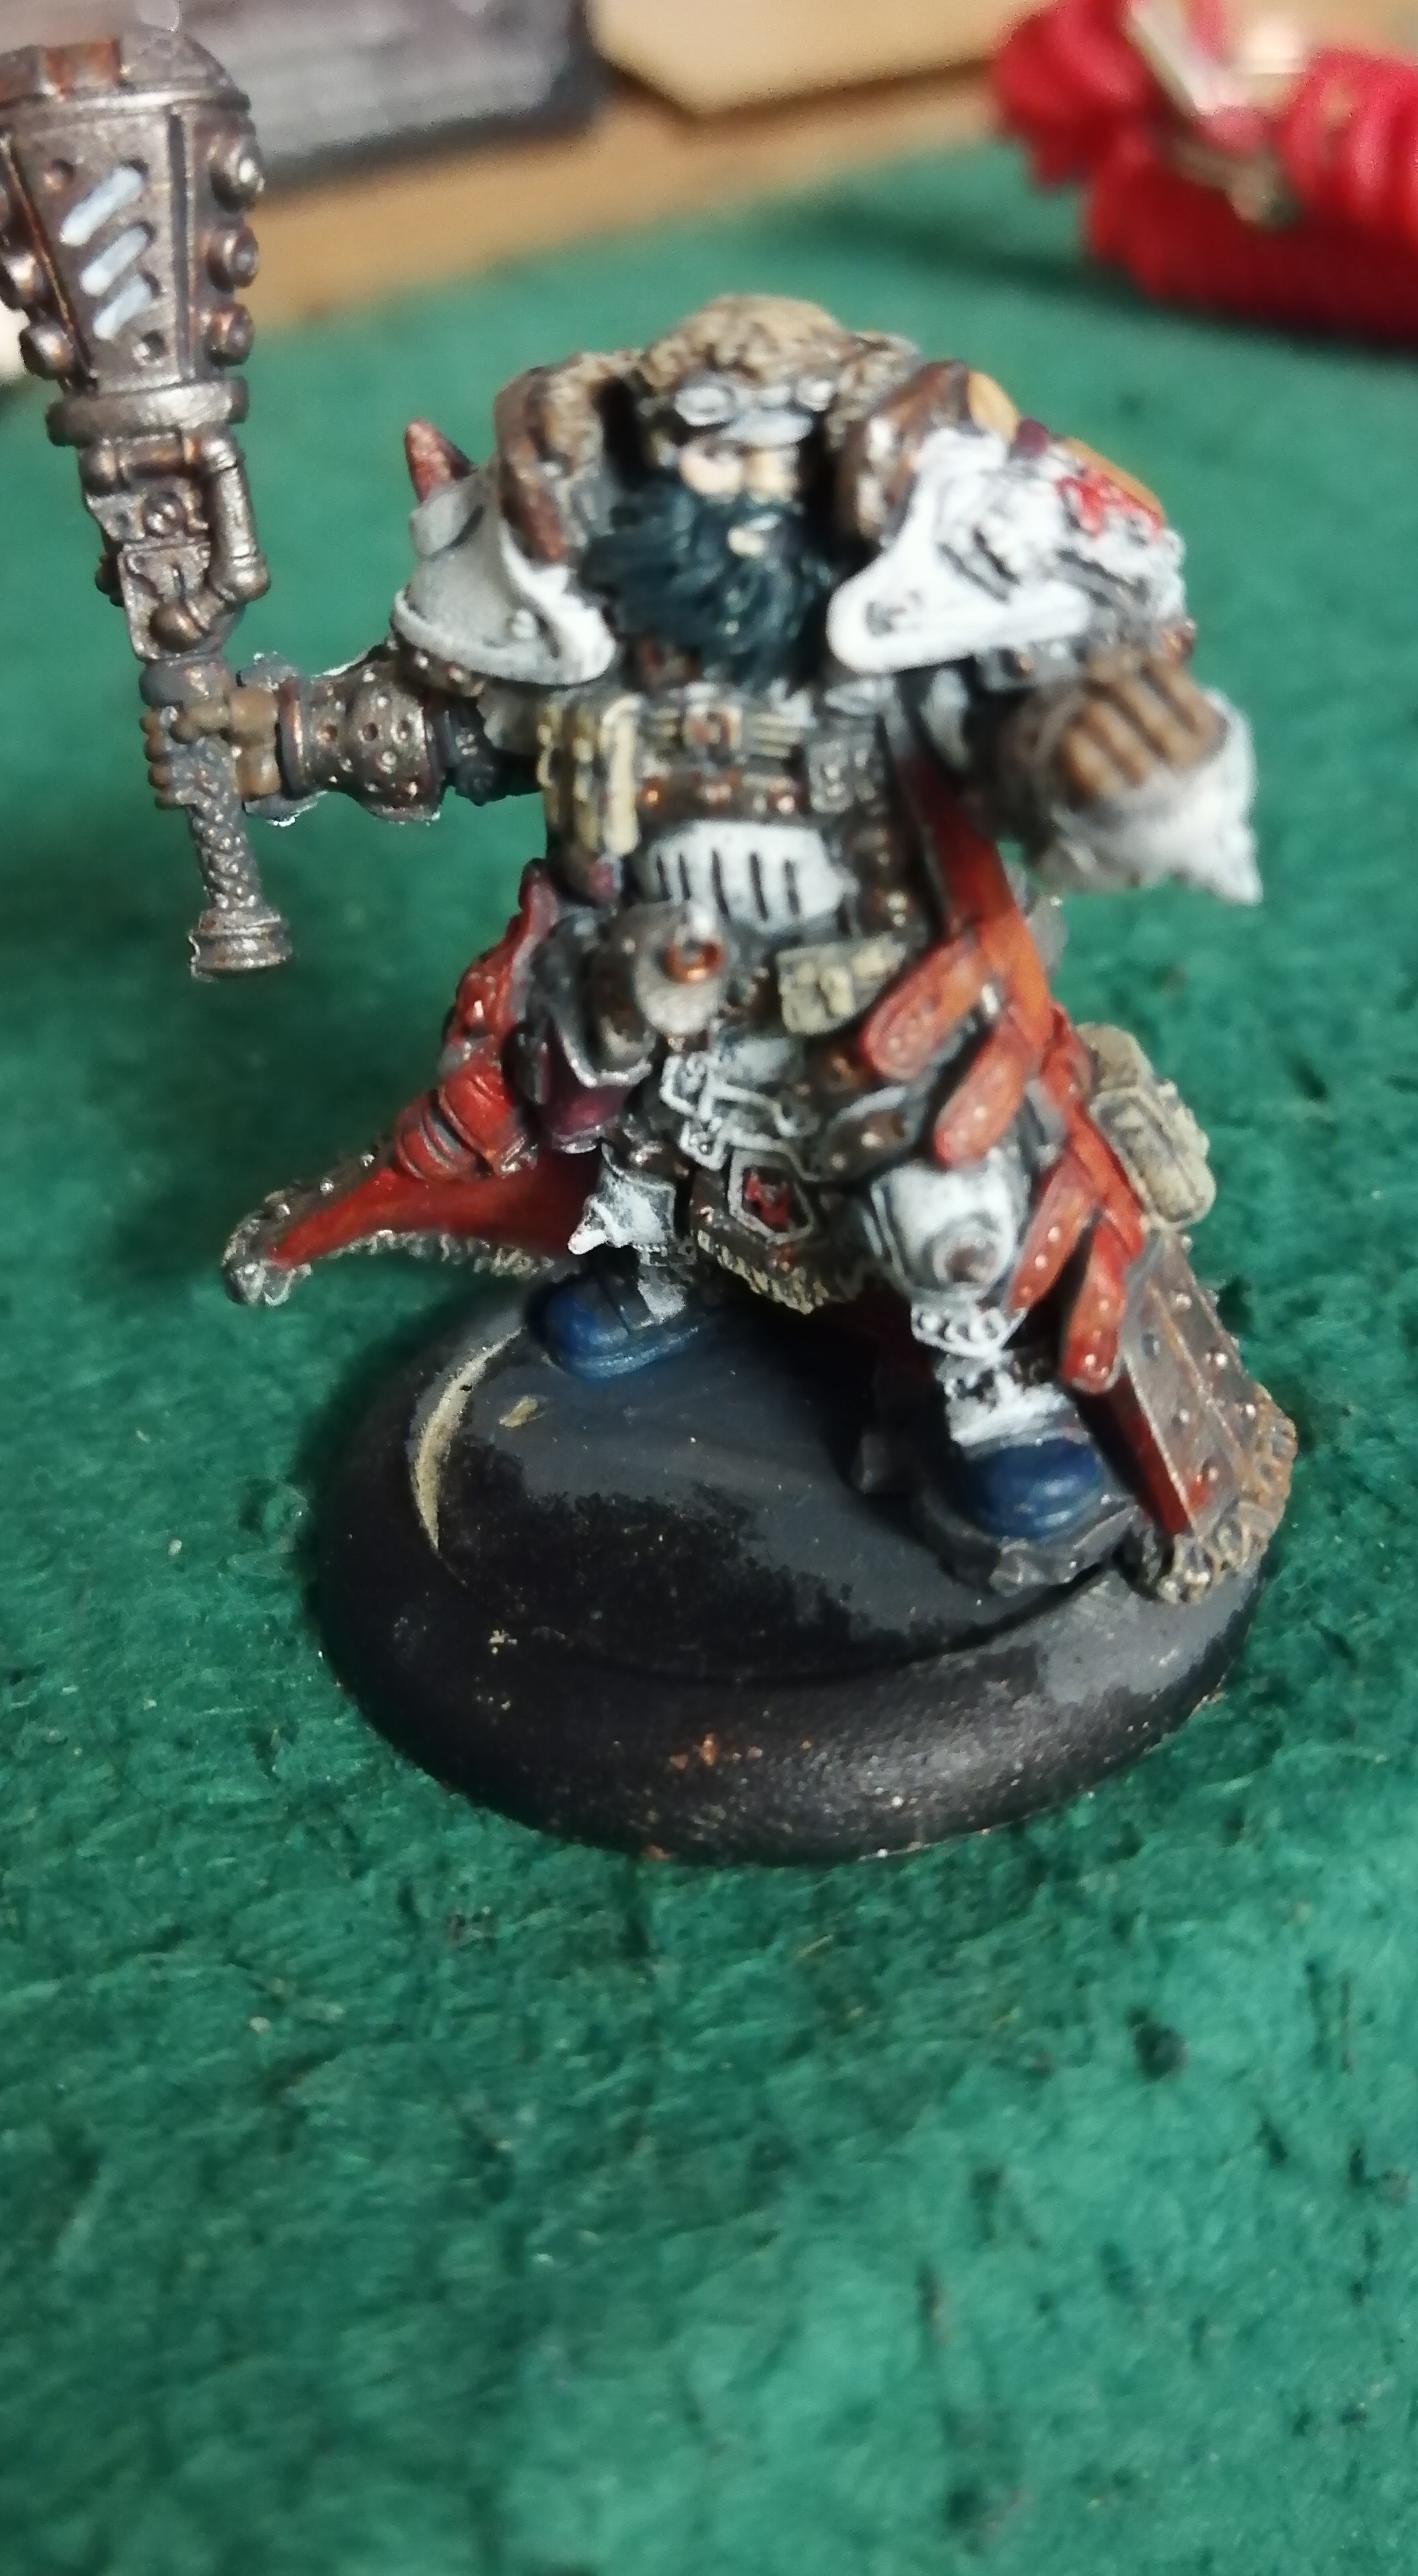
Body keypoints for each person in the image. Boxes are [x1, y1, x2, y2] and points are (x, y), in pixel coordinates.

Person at [188, 293, 1293, 1605]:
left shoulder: (905, 652)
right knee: (654, 1147)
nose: (742, 491)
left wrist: (1114, 758)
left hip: (878, 997)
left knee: (947, 1213)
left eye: (778, 459)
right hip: (657, 981)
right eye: (707, 451)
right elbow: (456, 729)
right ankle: (669, 1276)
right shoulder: (599, 635)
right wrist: (285, 737)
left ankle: (993, 1397)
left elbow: (1029, 744)